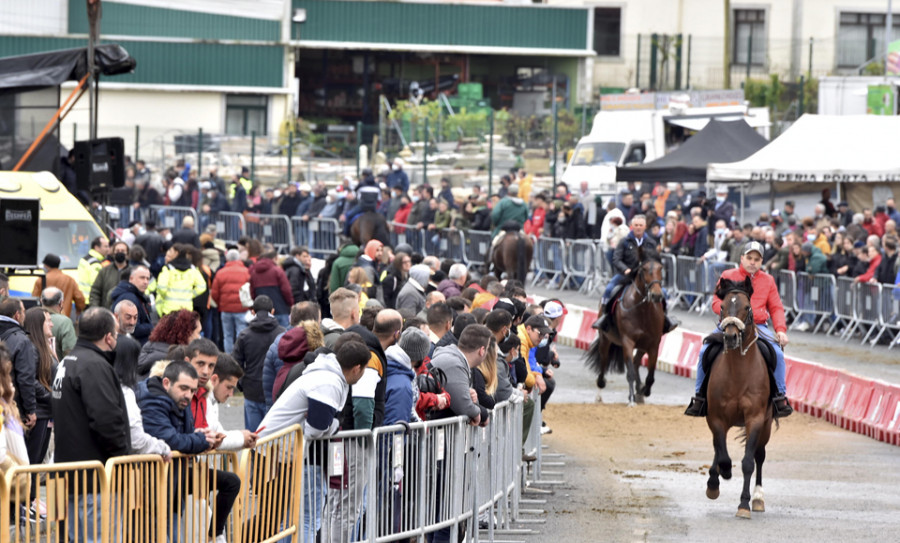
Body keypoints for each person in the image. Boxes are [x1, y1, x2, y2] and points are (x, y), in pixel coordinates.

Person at [258, 334, 370, 541]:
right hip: (288, 453)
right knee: (307, 516)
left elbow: (322, 424)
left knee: (290, 518)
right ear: (357, 368)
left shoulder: (328, 375)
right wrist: (332, 425)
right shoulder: (329, 382)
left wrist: (330, 425)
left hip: (284, 450)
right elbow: (318, 426)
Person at [684, 241, 793, 418]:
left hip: (758, 326)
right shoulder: (728, 276)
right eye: (749, 258)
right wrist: (728, 314)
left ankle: (780, 397)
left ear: (761, 261)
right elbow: (715, 301)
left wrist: (781, 330)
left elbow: (776, 308)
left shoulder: (768, 280)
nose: (752, 262)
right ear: (742, 258)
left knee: (778, 355)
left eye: (756, 259)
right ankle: (700, 398)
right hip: (729, 323)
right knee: (705, 351)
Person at [137, 361, 240, 543]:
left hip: (171, 488)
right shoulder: (152, 400)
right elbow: (169, 440)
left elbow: (180, 435)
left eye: (192, 391)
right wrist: (201, 440)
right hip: (147, 494)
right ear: (166, 383)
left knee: (231, 482)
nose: (188, 395)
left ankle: (214, 535)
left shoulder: (178, 402)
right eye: (183, 388)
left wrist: (198, 435)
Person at [52, 307, 130, 542]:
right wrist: (123, 457)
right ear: (108, 336)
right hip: (94, 477)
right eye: (115, 333)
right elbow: (106, 421)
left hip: (72, 473)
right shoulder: (94, 365)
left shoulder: (69, 360)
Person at [428, 324, 492, 543]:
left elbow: (467, 400)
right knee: (444, 511)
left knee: (442, 512)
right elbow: (465, 405)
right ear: (482, 350)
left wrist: (473, 405)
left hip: (442, 444)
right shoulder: (454, 362)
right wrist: (479, 412)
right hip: (438, 445)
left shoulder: (453, 359)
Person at [594, 214, 678, 334]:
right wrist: (625, 269)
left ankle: (665, 319)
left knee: (663, 293)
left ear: (645, 226)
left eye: (640, 225)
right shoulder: (624, 241)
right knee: (609, 289)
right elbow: (616, 259)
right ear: (632, 226)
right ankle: (604, 318)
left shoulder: (651, 242)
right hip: (626, 275)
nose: (638, 227)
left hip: (645, 277)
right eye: (636, 225)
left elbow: (655, 259)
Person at [21, 307, 57, 522]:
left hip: (47, 412)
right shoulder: (33, 349)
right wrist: (50, 397)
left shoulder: (46, 348)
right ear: (38, 324)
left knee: (37, 461)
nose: (51, 324)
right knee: (32, 460)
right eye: (48, 321)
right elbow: (30, 380)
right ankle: (25, 503)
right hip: (41, 412)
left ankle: (31, 501)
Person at [232, 295, 285, 431]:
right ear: (272, 311)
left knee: (253, 438)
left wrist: (241, 383)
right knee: (274, 438)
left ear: (252, 312)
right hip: (275, 391)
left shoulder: (244, 335)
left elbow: (235, 363)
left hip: (251, 389)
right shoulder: (282, 334)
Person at [0, 298, 37, 434]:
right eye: (24, 312)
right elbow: (25, 378)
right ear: (17, 315)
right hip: (14, 410)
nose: (24, 316)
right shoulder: (21, 340)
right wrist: (30, 410)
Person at [207, 354, 258, 450]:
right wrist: (242, 438)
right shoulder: (204, 400)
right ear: (214, 380)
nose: (231, 394)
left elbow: (219, 434)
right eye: (229, 387)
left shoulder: (213, 399)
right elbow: (214, 439)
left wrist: (243, 438)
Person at [137, 310, 202, 378]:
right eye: (198, 332)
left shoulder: (150, 347)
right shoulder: (173, 361)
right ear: (187, 333)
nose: (200, 337)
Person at [156, 244, 207, 317]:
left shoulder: (168, 268)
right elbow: (202, 286)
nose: (168, 252)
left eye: (170, 251)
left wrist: (166, 295)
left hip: (169, 309)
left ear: (176, 253)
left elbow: (161, 287)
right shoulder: (192, 269)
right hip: (186, 309)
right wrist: (190, 295)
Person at [109, 265, 154, 345]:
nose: (146, 282)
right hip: (132, 345)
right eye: (142, 278)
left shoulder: (135, 295)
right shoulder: (129, 298)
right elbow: (133, 328)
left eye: (147, 278)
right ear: (131, 279)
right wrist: (153, 326)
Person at [250, 251, 295, 328]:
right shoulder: (278, 271)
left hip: (262, 311)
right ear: (275, 258)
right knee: (283, 336)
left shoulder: (254, 273)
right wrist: (291, 303)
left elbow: (252, 293)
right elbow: (286, 290)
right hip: (281, 309)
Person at [32, 253, 85, 317]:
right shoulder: (69, 280)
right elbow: (80, 299)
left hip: (45, 318)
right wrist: (79, 309)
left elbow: (34, 300)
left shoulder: (40, 280)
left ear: (46, 265)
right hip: (64, 317)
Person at [89, 240, 131, 309]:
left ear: (127, 253)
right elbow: (95, 291)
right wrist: (95, 309)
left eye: (122, 251)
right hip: (107, 312)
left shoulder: (133, 271)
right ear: (113, 253)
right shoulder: (104, 271)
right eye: (117, 250)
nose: (120, 252)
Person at [41, 287, 77, 360]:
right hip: (57, 369)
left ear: (41, 301)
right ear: (61, 303)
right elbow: (70, 352)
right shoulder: (65, 322)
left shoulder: (31, 317)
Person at [77, 236, 109, 302]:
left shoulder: (86, 259)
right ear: (96, 247)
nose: (108, 249)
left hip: (84, 298)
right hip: (92, 299)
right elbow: (97, 284)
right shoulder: (95, 263)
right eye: (105, 246)